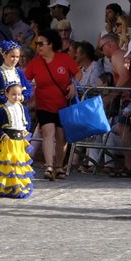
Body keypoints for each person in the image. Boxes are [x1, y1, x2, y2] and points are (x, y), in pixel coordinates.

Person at [26, 30, 78, 180]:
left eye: (41, 43)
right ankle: (49, 166)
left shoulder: (65, 59)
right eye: (37, 44)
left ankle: (59, 166)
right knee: (48, 132)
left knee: (61, 136)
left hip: (63, 104)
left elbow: (79, 75)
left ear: (51, 44)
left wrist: (74, 85)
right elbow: (26, 79)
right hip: (43, 104)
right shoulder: (35, 63)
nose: (38, 46)